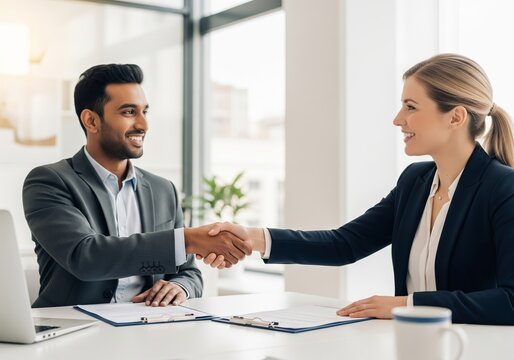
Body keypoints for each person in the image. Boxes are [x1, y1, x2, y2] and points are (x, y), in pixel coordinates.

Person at [202, 54, 514, 325]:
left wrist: (406, 305)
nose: (397, 119)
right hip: (413, 345)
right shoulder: (415, 182)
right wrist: (252, 238)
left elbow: (510, 301)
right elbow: (345, 244)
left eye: (411, 107)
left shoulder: (503, 189)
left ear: (455, 117)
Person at [23, 64, 250, 308]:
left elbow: (189, 272)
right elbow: (85, 257)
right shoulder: (49, 181)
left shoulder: (164, 190)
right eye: (129, 112)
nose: (143, 124)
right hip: (71, 332)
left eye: (145, 111)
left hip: (148, 330)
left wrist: (179, 286)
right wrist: (187, 239)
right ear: (91, 120)